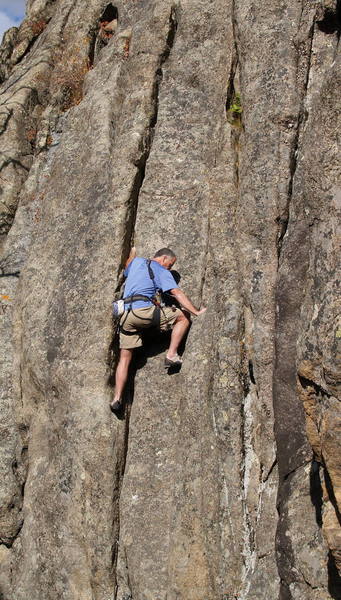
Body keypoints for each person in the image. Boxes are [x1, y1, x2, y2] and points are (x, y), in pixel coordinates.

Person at [110, 247, 206, 411]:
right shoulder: (161, 270)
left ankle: (117, 399)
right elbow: (176, 292)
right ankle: (172, 354)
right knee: (183, 317)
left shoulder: (138, 262)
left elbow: (127, 267)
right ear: (163, 259)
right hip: (143, 312)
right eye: (170, 264)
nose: (169, 268)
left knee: (125, 358)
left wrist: (132, 253)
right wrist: (195, 311)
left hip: (125, 315)